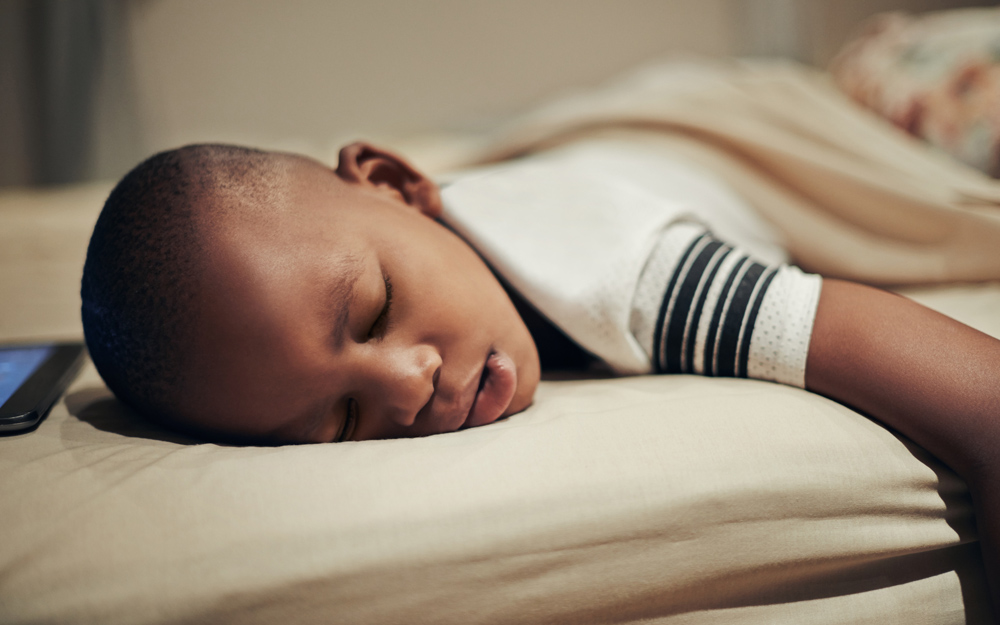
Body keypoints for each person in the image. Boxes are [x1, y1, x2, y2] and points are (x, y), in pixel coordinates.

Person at [80, 140, 1000, 612]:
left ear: (399, 184)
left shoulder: (611, 265)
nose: (405, 386)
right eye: (341, 418)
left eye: (371, 311)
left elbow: (954, 385)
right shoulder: (433, 270)